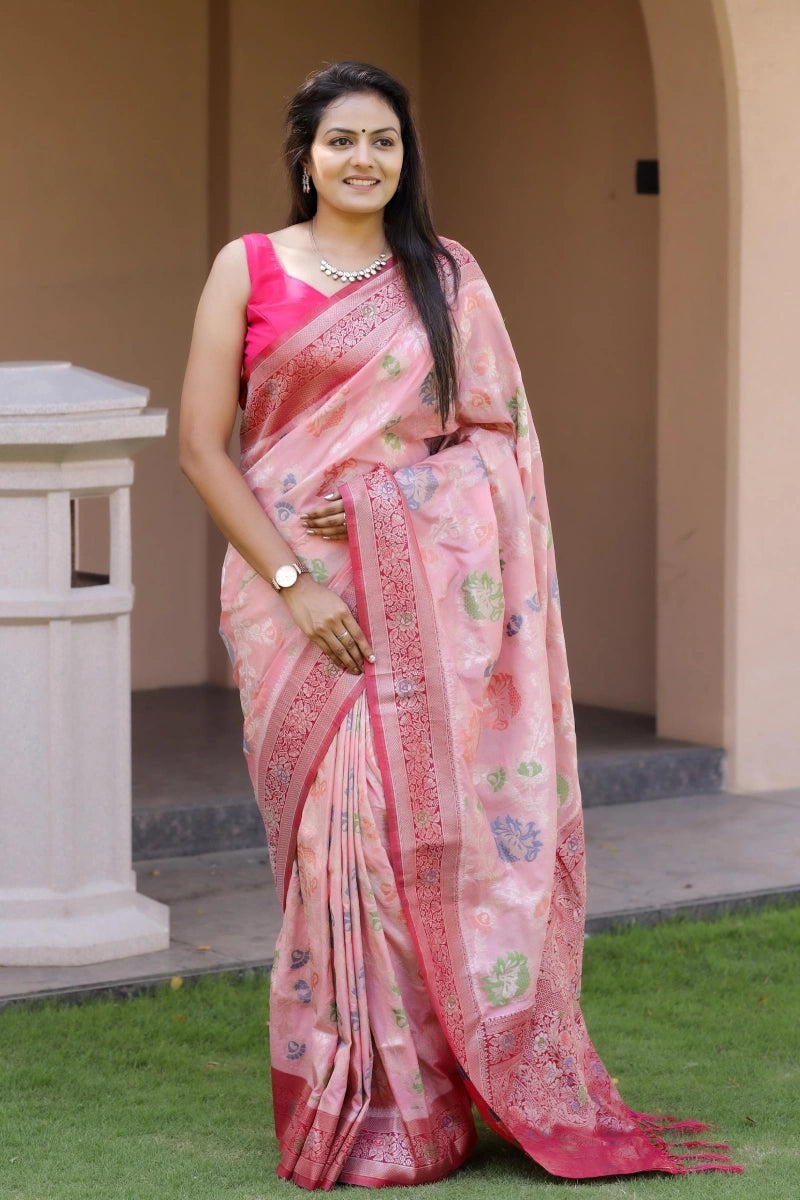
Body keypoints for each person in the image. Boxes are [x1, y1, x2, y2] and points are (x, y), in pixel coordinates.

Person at [179, 61, 739, 1190]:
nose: (362, 160)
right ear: (303, 155)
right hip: (287, 601)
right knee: (329, 850)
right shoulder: (245, 268)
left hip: (417, 599)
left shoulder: (444, 277)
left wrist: (391, 515)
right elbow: (202, 446)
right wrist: (297, 582)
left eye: (382, 141)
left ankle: (422, 1102)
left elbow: (497, 446)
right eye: (341, 141)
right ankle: (347, 1091)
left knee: (403, 840)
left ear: (403, 156)